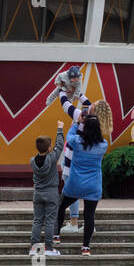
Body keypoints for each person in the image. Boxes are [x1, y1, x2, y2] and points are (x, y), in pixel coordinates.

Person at [56, 114, 110, 255]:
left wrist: (77, 122)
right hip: (93, 185)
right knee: (89, 216)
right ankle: (86, 247)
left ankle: (56, 235)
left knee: (61, 206)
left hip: (75, 182)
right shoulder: (103, 145)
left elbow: (69, 136)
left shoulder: (77, 142)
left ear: (85, 128)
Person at [53, 86, 92, 244]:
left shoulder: (80, 116)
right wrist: (79, 94)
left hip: (72, 160)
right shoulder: (96, 121)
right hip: (87, 164)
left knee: (70, 193)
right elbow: (88, 103)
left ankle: (73, 222)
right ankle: (88, 225)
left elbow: (65, 104)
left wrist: (62, 90)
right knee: (89, 197)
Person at [30, 122, 65, 257]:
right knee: (50, 220)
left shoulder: (32, 161)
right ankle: (49, 248)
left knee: (37, 220)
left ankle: (33, 248)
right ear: (49, 148)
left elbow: (54, 147)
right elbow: (60, 145)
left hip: (38, 193)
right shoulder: (52, 157)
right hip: (51, 193)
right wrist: (60, 129)